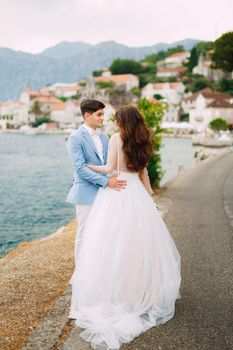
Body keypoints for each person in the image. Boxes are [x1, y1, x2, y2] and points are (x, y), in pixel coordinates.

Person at [69, 106, 181, 350]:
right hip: (137, 194)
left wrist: (89, 168)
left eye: (116, 119)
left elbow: (109, 170)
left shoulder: (117, 139)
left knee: (113, 242)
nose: (113, 122)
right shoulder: (143, 141)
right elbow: (143, 174)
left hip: (118, 191)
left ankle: (118, 291)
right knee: (140, 243)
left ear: (122, 122)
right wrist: (150, 199)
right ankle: (142, 290)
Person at [66, 99, 127, 266]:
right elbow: (80, 169)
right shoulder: (75, 138)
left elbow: (110, 164)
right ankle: (81, 271)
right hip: (85, 192)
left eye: (103, 114)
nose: (102, 118)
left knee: (104, 232)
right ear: (87, 115)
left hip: (105, 193)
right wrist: (107, 182)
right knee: (84, 233)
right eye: (99, 115)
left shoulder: (105, 137)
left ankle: (98, 268)